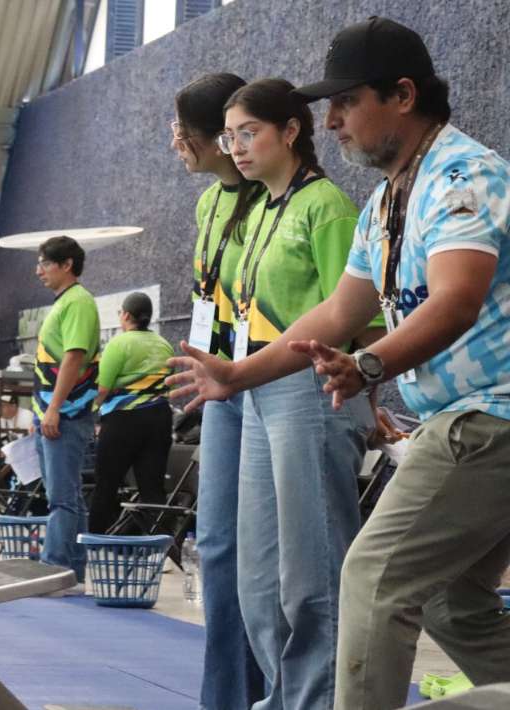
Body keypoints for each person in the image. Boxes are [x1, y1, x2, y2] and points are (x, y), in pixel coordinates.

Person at [285, 17, 509, 709]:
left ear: (403, 95)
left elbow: (457, 301)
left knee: (373, 576)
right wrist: (235, 374)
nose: (331, 123)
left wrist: (371, 366)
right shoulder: (385, 202)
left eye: (346, 102)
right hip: (460, 419)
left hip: (490, 417)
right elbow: (334, 316)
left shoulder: (465, 176)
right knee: (448, 598)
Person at [171, 75, 380, 709]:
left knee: (310, 577)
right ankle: (280, 698)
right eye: (230, 136)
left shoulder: (327, 206)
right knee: (256, 581)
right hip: (257, 388)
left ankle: (317, 701)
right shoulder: (256, 208)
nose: (235, 148)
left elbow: (362, 315)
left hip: (309, 391)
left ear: (290, 132)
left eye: (248, 133)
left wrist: (371, 375)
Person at [171, 71, 268, 710]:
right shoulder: (208, 205)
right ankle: (225, 697)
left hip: (268, 382)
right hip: (222, 386)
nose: (175, 141)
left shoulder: (280, 201)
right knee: (217, 545)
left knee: (266, 560)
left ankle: (274, 693)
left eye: (182, 129)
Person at [31, 235, 99, 590]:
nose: (38, 270)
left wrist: (54, 409)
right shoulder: (66, 302)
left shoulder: (78, 302)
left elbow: (74, 356)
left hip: (67, 413)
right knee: (67, 496)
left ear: (67, 264)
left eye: (45, 262)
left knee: (61, 498)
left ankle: (54, 571)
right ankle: (73, 572)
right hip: (53, 412)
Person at [87, 292, 173, 534]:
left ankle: (94, 542)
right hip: (160, 418)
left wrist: (90, 413)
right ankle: (161, 550)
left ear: (125, 315)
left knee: (106, 484)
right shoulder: (163, 344)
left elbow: (102, 388)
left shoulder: (119, 343)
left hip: (123, 421)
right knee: (153, 488)